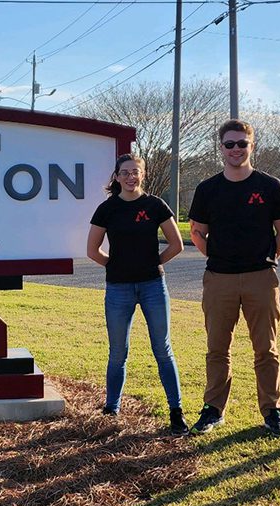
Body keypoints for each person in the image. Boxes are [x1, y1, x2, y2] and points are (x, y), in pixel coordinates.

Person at [187, 119, 280, 437]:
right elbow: (197, 232)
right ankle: (213, 409)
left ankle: (272, 411)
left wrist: (265, 259)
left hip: (261, 277)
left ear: (252, 144)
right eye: (229, 144)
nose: (236, 149)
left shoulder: (270, 186)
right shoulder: (208, 189)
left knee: (266, 349)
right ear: (220, 148)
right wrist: (218, 257)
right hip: (219, 278)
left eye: (242, 143)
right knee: (217, 348)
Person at [87, 153, 189, 436]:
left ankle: (176, 411)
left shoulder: (155, 205)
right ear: (117, 177)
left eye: (135, 172)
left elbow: (176, 244)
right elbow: (92, 250)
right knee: (118, 352)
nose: (131, 177)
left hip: (153, 286)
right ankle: (111, 407)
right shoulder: (107, 209)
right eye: (125, 172)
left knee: (163, 349)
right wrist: (116, 265)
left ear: (142, 174)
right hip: (118, 289)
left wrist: (154, 262)